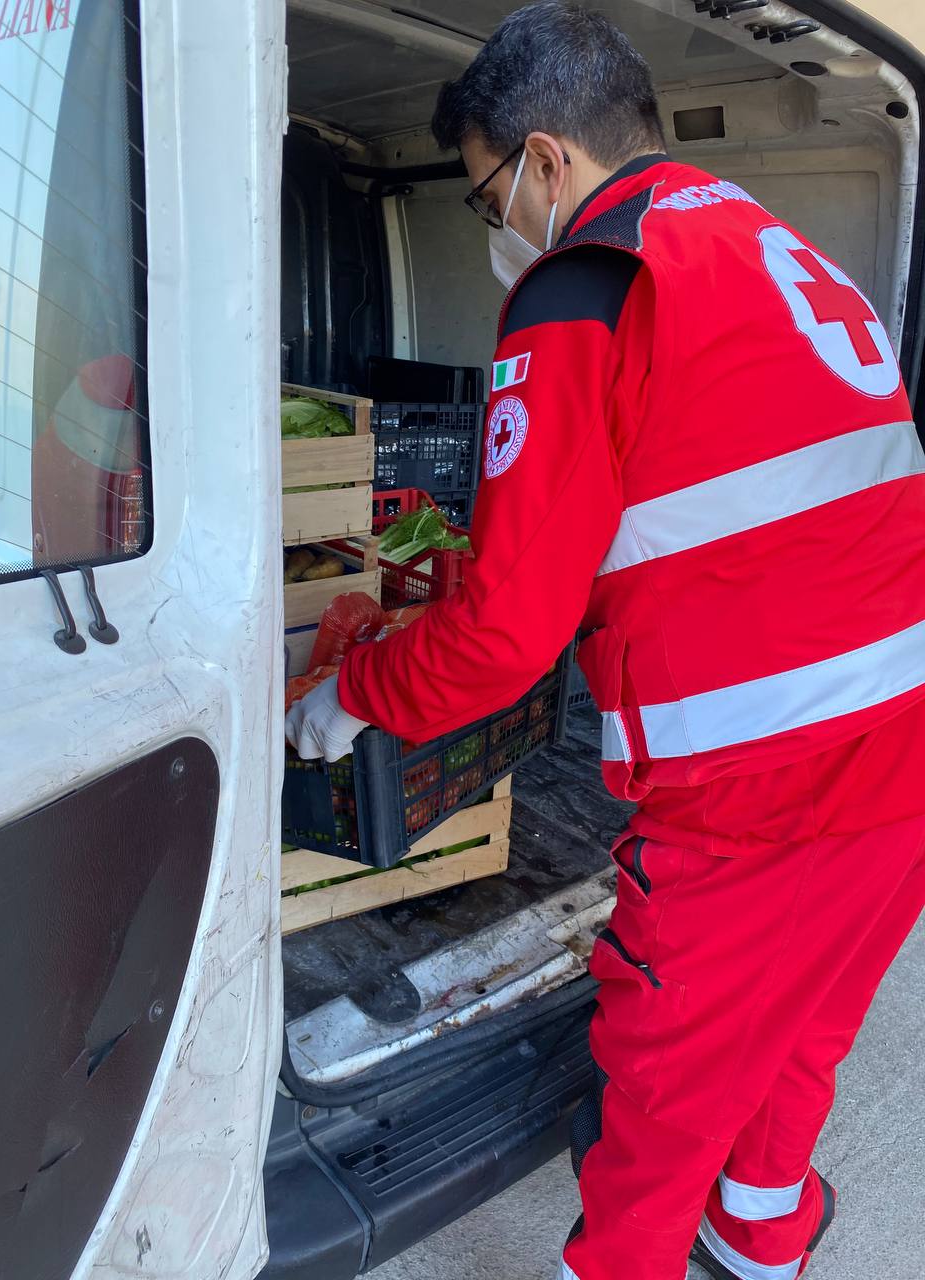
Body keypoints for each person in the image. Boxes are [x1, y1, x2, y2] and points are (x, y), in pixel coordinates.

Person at [284, 5, 925, 1278]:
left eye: (485, 198)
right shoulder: (772, 245)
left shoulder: (587, 287)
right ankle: (763, 1232)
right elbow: (696, 501)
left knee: (662, 1089)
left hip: (756, 787)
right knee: (806, 1022)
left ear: (545, 161)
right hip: (902, 737)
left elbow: (505, 643)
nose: (496, 228)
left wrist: (349, 696)